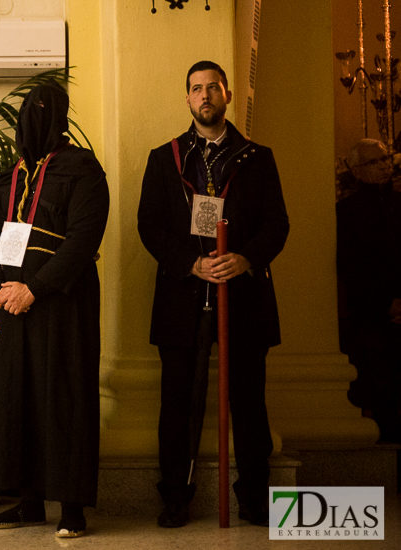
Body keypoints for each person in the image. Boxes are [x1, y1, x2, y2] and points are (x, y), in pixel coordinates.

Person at [137, 60, 289, 528]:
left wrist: (244, 259)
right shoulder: (164, 158)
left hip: (243, 297)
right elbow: (151, 226)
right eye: (196, 89)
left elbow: (276, 223)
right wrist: (193, 263)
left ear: (225, 95)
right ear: (187, 98)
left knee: (248, 401)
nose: (204, 95)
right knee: (178, 403)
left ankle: (254, 498)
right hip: (184, 298)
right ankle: (176, 499)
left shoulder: (257, 157)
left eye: (212, 88)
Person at [0, 80, 109, 539]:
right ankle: (27, 500)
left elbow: (83, 240)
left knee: (64, 399)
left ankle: (72, 506)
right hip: (10, 310)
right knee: (17, 399)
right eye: (27, 112)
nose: (33, 119)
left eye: (42, 110)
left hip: (61, 307)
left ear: (60, 116)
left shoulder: (84, 170)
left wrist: (34, 288)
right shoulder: (8, 179)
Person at [336, 138, 401, 443]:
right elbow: (351, 266)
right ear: (357, 171)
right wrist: (385, 303)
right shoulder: (347, 212)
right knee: (382, 387)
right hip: (373, 316)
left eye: (386, 159)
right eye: (375, 162)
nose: (385, 166)